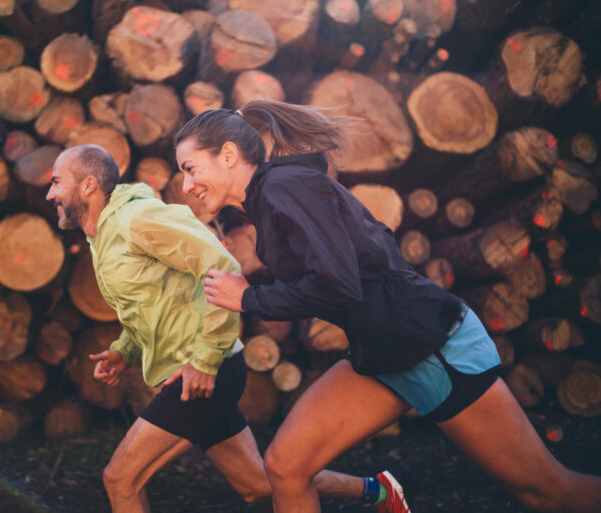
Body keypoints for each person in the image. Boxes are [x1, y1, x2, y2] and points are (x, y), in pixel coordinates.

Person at [174, 100, 601, 513]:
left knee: (546, 493)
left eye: (190, 169)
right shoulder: (270, 200)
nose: (186, 185)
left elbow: (339, 284)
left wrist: (248, 297)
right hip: (382, 355)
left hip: (434, 348)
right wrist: (252, 281)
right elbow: (327, 267)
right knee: (286, 466)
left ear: (228, 155)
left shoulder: (284, 188)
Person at [45, 144, 412, 513]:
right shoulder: (102, 237)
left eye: (57, 182)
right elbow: (147, 303)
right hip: (194, 372)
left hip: (203, 374)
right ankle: (381, 492)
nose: (50, 193)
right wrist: (125, 350)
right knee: (254, 483)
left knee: (120, 478)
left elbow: (220, 264)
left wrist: (204, 360)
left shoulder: (137, 219)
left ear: (89, 184)